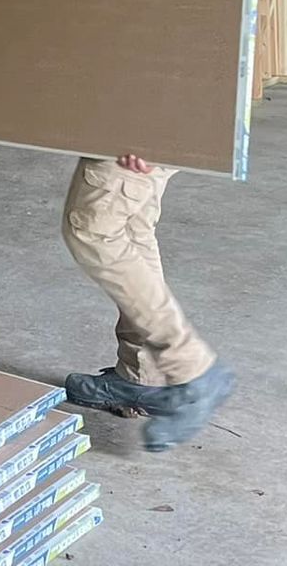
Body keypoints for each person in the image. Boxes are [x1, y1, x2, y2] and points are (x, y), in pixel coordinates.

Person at [61, 152, 233, 452]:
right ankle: (140, 374)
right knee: (131, 230)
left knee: (93, 230)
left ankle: (193, 368)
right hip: (152, 122)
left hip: (140, 123)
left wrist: (151, 131)